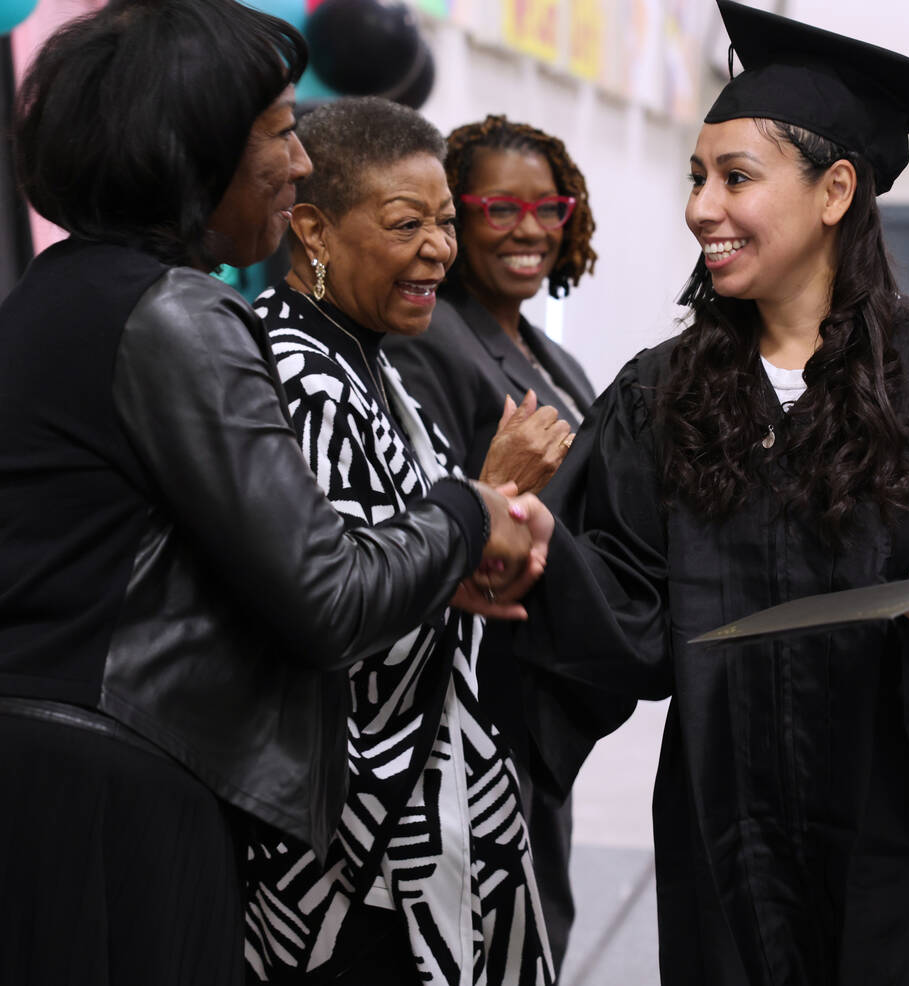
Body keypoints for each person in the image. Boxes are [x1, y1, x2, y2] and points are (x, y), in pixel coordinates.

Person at [513, 2, 909, 984]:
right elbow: (626, 605)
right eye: (696, 177)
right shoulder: (663, 394)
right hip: (735, 843)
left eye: (736, 177)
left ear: (834, 190)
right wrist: (529, 545)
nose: (701, 209)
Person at [0, 5, 545, 984]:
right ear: (197, 145)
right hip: (117, 790)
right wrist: (468, 512)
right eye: (283, 129)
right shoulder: (179, 313)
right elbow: (326, 599)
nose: (299, 164)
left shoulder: (52, 292)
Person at [244, 97, 553, 985]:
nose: (440, 249)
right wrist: (481, 506)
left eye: (446, 222)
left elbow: (420, 554)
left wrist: (477, 533)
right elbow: (345, 602)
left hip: (420, 811)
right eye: (406, 223)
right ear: (313, 229)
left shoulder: (365, 358)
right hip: (357, 843)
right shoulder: (302, 376)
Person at [384, 114, 601, 966]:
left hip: (538, 675)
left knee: (542, 907)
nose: (529, 229)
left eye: (548, 207)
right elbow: (433, 501)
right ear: (453, 215)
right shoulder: (431, 338)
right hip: (473, 675)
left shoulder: (540, 348)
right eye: (497, 208)